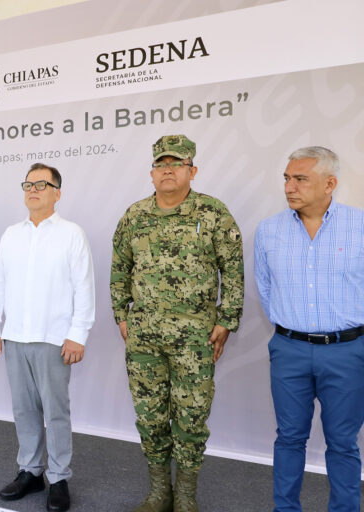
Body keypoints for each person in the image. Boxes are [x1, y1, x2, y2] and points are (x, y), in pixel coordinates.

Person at [110, 135, 244, 512]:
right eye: (161, 164)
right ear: (152, 174)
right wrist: (122, 315)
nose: (167, 170)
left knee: (190, 419)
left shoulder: (213, 213)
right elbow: (120, 270)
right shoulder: (134, 216)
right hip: (144, 341)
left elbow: (232, 269)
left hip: (194, 339)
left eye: (176, 163)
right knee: (150, 417)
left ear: (192, 170)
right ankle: (159, 492)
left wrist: (228, 319)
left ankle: (185, 495)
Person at [254, 146, 364, 512]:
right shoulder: (269, 231)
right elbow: (266, 289)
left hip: (348, 352)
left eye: (300, 179)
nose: (289, 187)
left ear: (330, 183)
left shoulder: (360, 226)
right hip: (289, 350)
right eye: (287, 178)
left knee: (343, 442)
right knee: (288, 438)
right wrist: (293, 330)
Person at [0, 163, 95, 512]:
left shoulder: (71, 234)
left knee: (55, 411)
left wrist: (78, 335)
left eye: (42, 184)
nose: (33, 190)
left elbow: (84, 288)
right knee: (24, 409)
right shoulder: (10, 234)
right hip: (15, 337)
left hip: (54, 339)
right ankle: (31, 471)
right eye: (28, 184)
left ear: (57, 193)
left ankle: (59, 477)